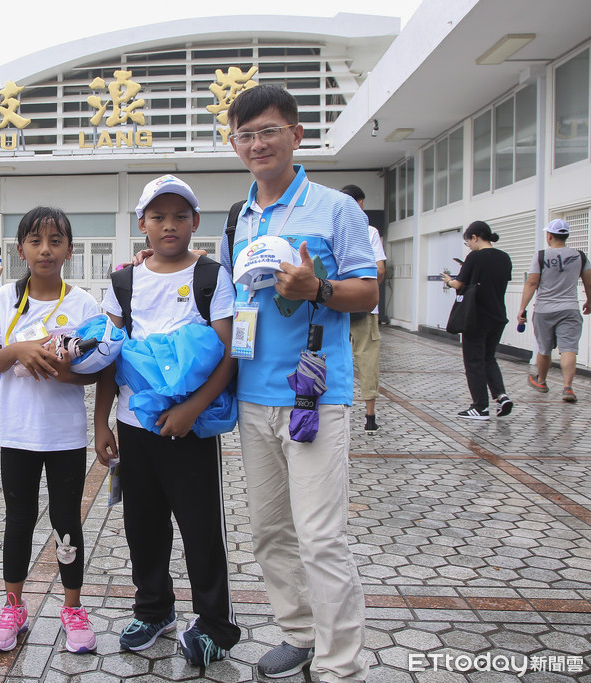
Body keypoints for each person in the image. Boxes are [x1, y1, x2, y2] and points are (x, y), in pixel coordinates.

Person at [221, 85, 376, 681]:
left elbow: (368, 292)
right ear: (234, 144)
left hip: (315, 394)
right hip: (253, 397)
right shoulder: (242, 215)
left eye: (268, 131)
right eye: (245, 135)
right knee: (269, 532)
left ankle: (340, 664)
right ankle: (299, 633)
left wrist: (318, 289)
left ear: (296, 135)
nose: (257, 144)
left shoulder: (337, 208)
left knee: (320, 537)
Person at [94, 175, 240, 667]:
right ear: (142, 225)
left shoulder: (212, 277)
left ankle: (216, 623)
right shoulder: (124, 281)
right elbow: (109, 357)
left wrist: (192, 408)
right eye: (158, 216)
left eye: (180, 216)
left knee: (201, 526)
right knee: (143, 525)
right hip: (136, 428)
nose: (169, 225)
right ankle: (154, 609)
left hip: (190, 430)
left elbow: (229, 352)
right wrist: (102, 423)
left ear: (195, 222)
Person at [0, 207, 101, 654]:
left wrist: (59, 369)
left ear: (69, 248)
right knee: (19, 518)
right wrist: (20, 350)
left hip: (65, 434)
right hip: (17, 434)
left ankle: (73, 607)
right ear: (20, 250)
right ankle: (13, 606)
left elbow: (95, 373)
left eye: (55, 240)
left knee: (67, 519)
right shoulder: (3, 300)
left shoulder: (83, 303)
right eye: (35, 241)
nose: (45, 250)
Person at [441, 220, 513, 419]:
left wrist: (448, 280)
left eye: (468, 242)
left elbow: (459, 284)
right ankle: (501, 395)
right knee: (489, 358)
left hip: (476, 317)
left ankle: (480, 406)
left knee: (473, 361)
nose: (469, 246)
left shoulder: (475, 257)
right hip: (498, 316)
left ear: (474, 237)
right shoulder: (505, 257)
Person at [517, 218, 591, 402]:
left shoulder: (541, 256)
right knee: (569, 349)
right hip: (570, 308)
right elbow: (589, 281)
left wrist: (522, 308)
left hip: (544, 310)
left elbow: (532, 282)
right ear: (566, 236)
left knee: (544, 349)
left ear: (549, 235)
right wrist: (590, 300)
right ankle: (568, 388)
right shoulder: (580, 256)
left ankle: (541, 381)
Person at [340, 185, 387, 434]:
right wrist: (364, 289)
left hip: (335, 305)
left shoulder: (332, 229)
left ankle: (335, 410)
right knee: (367, 358)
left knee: (331, 356)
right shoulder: (369, 233)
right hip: (363, 309)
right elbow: (379, 270)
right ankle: (370, 415)